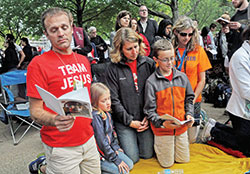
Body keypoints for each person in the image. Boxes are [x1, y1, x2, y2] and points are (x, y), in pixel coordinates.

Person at [26, 7, 101, 174]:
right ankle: (43, 167)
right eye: (54, 30)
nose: (60, 33)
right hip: (60, 146)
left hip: (88, 139)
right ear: (46, 34)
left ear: (72, 27)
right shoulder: (38, 64)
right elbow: (35, 110)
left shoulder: (83, 60)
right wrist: (54, 120)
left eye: (64, 27)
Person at [105, 27, 155, 163]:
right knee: (133, 158)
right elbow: (113, 100)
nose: (134, 52)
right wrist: (129, 122)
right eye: (129, 49)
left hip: (145, 118)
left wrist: (149, 116)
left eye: (136, 46)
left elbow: (155, 93)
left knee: (147, 154)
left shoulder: (148, 63)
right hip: (125, 121)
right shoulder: (112, 68)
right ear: (120, 49)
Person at [144, 39, 194, 167]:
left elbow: (189, 98)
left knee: (183, 161)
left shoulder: (182, 77)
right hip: (162, 131)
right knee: (167, 164)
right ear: (156, 59)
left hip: (181, 128)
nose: (170, 62)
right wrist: (161, 123)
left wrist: (189, 114)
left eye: (172, 58)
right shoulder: (151, 82)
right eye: (165, 59)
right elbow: (149, 110)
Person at [201, 25, 250, 157]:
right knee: (246, 148)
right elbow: (246, 91)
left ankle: (215, 126)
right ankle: (213, 131)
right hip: (241, 110)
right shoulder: (240, 57)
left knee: (243, 139)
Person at [172, 16, 212, 143]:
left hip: (194, 99)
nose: (187, 38)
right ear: (176, 32)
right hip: (173, 100)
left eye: (190, 34)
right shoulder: (169, 50)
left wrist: (192, 100)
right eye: (183, 34)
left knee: (191, 139)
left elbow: (202, 80)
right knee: (176, 137)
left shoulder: (198, 50)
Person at [91, 83, 134, 174]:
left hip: (109, 151)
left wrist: (115, 147)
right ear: (95, 102)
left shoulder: (107, 113)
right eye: (104, 101)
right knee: (124, 172)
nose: (108, 103)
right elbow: (102, 142)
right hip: (101, 155)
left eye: (109, 98)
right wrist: (116, 159)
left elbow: (111, 133)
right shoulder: (96, 117)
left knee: (130, 165)